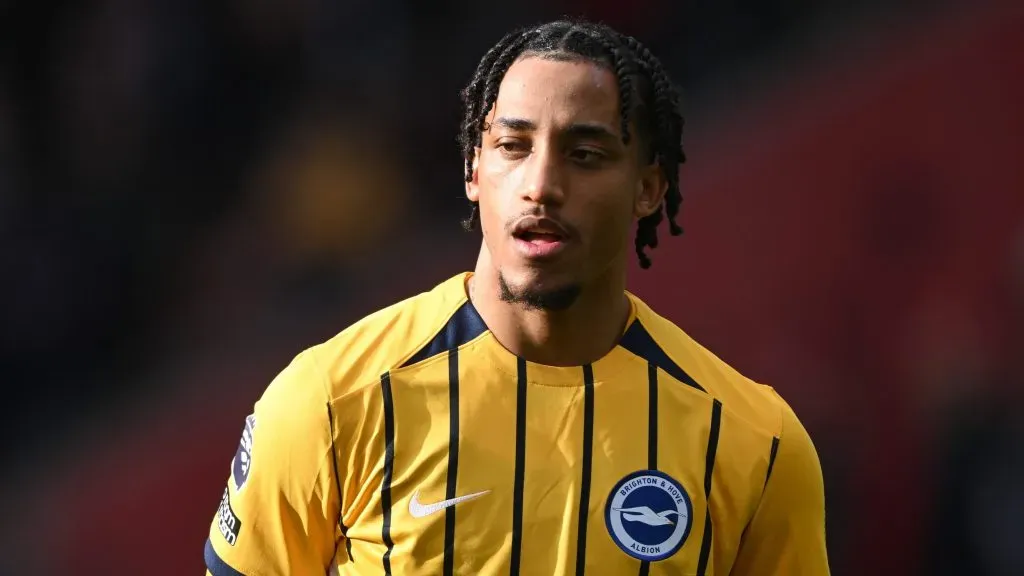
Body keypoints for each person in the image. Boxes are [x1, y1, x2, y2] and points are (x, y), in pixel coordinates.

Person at [203, 18, 829, 576]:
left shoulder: (755, 443)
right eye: (513, 146)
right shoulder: (331, 404)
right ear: (474, 169)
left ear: (648, 189)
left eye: (585, 155)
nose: (542, 185)